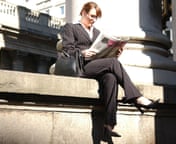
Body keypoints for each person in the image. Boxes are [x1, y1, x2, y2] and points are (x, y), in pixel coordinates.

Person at [59, 1, 159, 140]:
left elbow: (102, 54)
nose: (93, 20)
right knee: (113, 63)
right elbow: (67, 50)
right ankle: (137, 97)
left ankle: (108, 125)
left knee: (111, 78)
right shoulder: (70, 28)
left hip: (97, 66)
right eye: (91, 16)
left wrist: (114, 53)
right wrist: (82, 52)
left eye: (96, 17)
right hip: (81, 66)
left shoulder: (97, 32)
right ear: (83, 12)